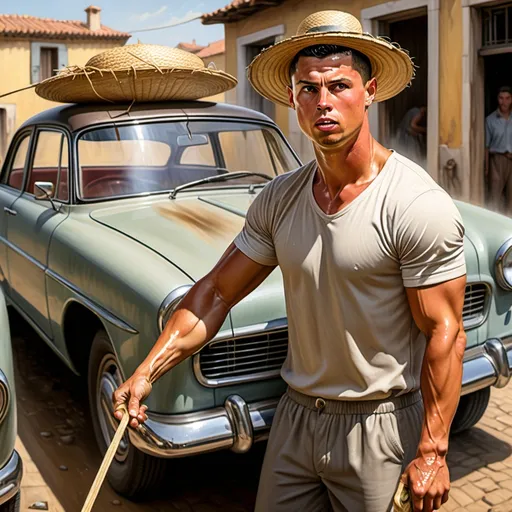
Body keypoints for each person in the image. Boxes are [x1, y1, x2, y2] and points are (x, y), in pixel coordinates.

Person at [113, 10, 466, 512]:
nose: (323, 102)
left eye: (339, 85)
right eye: (307, 88)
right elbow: (215, 292)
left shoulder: (414, 203)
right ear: (291, 99)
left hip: (381, 424)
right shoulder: (280, 198)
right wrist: (148, 369)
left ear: (369, 92)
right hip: (296, 418)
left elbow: (445, 332)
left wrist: (432, 450)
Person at [485, 86, 512, 214]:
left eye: (507, 98)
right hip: (496, 160)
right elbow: (486, 146)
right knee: (495, 197)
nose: (504, 102)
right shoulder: (490, 120)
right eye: (501, 98)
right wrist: (486, 168)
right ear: (497, 99)